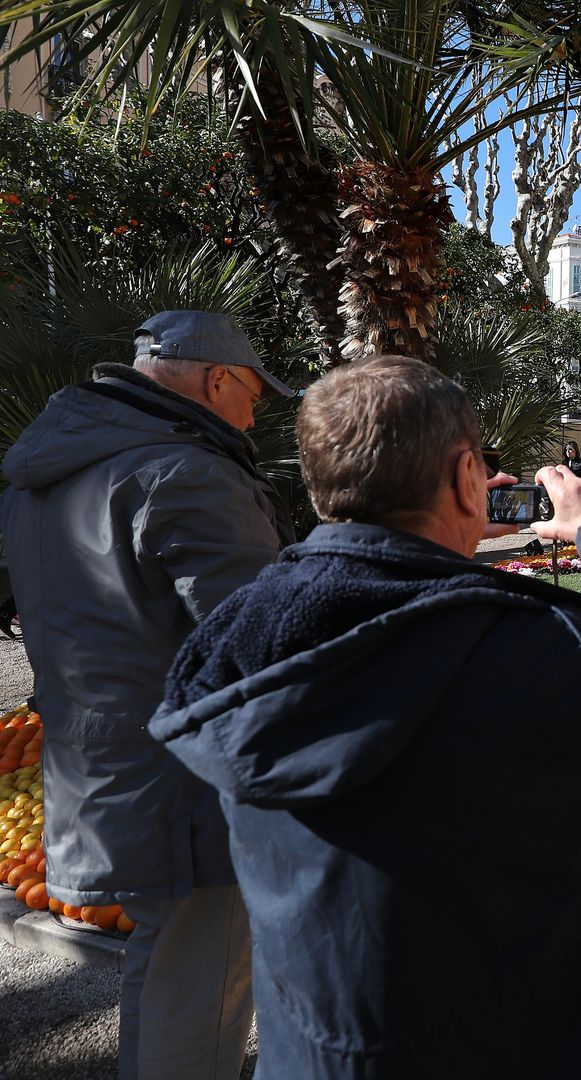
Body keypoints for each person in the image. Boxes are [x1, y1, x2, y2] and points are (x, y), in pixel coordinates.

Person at [148, 355, 581, 1079]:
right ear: (469, 476)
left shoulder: (238, 633)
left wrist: (448, 546)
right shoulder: (551, 657)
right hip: (537, 1044)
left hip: (328, 1050)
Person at [0, 310, 295, 1078]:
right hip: (185, 779)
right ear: (217, 379)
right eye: (254, 393)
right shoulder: (184, 471)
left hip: (93, 758)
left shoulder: (46, 472)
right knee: (201, 989)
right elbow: (255, 636)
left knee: (166, 968)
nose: (254, 412)